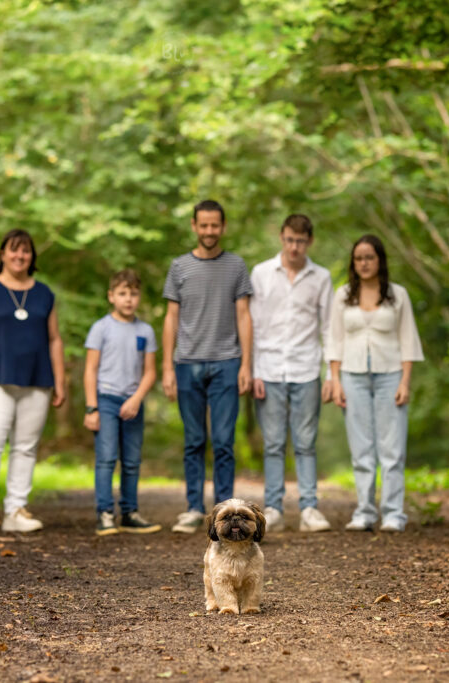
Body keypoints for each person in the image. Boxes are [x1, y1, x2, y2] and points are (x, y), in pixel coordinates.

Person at [162, 199, 253, 534]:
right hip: (187, 363)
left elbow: (244, 315)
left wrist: (246, 364)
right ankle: (192, 508)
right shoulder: (179, 267)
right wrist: (167, 367)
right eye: (204, 225)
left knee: (224, 440)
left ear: (223, 227)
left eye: (215, 225)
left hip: (227, 363)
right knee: (194, 440)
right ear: (194, 226)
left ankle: (228, 514)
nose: (210, 231)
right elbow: (171, 318)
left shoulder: (237, 266)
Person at [0, 229, 66, 534]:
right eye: (13, 250)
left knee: (25, 447)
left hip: (37, 381)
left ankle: (15, 511)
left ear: (32, 257)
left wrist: (59, 381)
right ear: (2, 254)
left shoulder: (44, 294)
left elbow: (54, 339)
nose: (19, 256)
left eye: (25, 251)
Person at [326, 234, 423, 533]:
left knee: (392, 449)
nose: (364, 263)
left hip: (390, 375)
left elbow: (408, 339)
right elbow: (334, 339)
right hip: (352, 376)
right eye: (358, 258)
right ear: (353, 263)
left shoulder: (398, 295)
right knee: (361, 449)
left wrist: (405, 381)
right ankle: (365, 512)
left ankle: (393, 513)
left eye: (369, 257)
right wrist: (335, 380)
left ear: (379, 260)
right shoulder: (343, 295)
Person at [250, 214, 333, 533]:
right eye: (289, 240)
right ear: (281, 238)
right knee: (272, 443)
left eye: (300, 241)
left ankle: (310, 508)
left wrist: (330, 374)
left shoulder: (321, 277)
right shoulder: (261, 274)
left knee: (305, 442)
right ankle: (273, 508)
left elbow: (327, 327)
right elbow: (253, 324)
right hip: (268, 369)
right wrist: (254, 370)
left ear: (309, 241)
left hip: (306, 368)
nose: (294, 246)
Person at [83, 269, 161, 536]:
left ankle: (130, 512)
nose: (128, 299)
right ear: (111, 296)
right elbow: (90, 369)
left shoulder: (146, 331)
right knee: (106, 458)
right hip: (105, 399)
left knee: (131, 461)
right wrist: (91, 407)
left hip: (133, 403)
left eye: (134, 294)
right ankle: (105, 513)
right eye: (123, 293)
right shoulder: (101, 328)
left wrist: (136, 399)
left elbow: (150, 371)